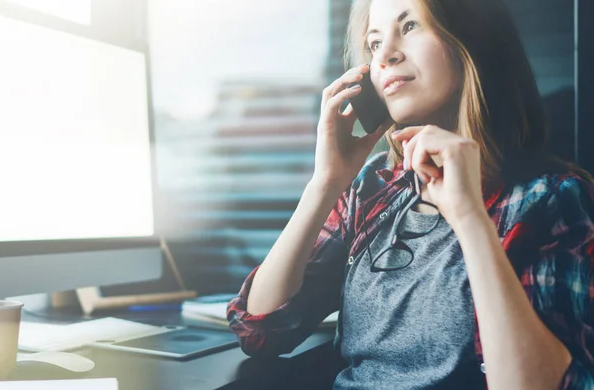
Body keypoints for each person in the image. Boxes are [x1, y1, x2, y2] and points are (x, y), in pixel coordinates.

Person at [227, 0, 594, 388]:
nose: (385, 55)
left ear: (472, 40)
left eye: (411, 26)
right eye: (373, 43)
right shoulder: (377, 187)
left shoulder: (553, 200)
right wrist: (325, 184)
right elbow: (259, 331)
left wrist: (469, 218)